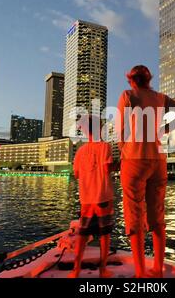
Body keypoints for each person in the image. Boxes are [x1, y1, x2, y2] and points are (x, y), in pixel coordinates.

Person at [116, 65, 175, 278]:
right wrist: (163, 129)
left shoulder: (127, 95)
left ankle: (141, 273)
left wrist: (125, 148)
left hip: (134, 160)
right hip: (158, 160)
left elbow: (120, 129)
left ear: (131, 79)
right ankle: (157, 270)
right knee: (157, 217)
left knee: (134, 217)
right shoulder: (161, 97)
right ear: (149, 79)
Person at [68, 116, 115, 278]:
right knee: (104, 235)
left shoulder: (80, 151)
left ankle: (76, 270)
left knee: (82, 234)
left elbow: (76, 174)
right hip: (102, 196)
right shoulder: (105, 147)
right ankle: (103, 270)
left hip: (86, 199)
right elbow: (108, 167)